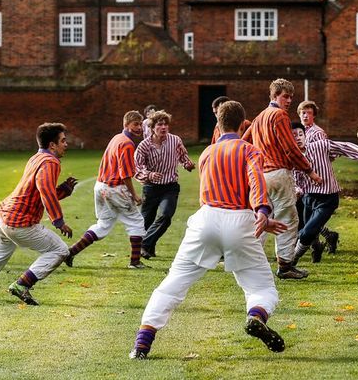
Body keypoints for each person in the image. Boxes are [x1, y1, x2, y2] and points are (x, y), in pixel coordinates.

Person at [130, 101, 288, 359]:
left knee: (172, 285)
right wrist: (262, 211)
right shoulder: (250, 151)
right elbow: (256, 181)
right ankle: (255, 315)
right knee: (262, 288)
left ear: (218, 123)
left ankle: (142, 344)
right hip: (240, 220)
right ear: (243, 124)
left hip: (205, 220)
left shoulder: (206, 153)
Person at [0, 123, 77, 306]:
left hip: (3, 215)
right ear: (52, 145)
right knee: (60, 250)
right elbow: (45, 190)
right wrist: (59, 221)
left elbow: (37, 191)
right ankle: (22, 285)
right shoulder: (51, 162)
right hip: (19, 222)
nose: (66, 144)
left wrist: (63, 190)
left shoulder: (36, 158)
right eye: (63, 140)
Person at [243, 79, 322, 279]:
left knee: (262, 219)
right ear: (275, 95)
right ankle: (285, 266)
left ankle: (251, 263)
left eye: (291, 97)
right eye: (285, 96)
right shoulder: (279, 115)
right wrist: (309, 170)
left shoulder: (259, 117)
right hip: (278, 173)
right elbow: (290, 147)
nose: (289, 100)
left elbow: (243, 142)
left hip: (260, 176)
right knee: (288, 219)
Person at [65, 111, 147, 269]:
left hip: (101, 186)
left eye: (140, 124)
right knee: (136, 221)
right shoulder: (127, 143)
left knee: (103, 224)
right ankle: (135, 262)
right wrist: (134, 195)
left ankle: (71, 252)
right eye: (135, 124)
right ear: (126, 125)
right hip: (115, 188)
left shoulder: (117, 137)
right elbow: (125, 174)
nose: (139, 128)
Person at [290, 122, 358, 266]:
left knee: (306, 232)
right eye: (294, 135)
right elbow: (298, 183)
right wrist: (297, 191)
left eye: (300, 134)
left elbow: (344, 147)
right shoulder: (292, 159)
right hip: (308, 198)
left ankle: (292, 261)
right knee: (309, 230)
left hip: (327, 198)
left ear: (306, 136)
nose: (298, 138)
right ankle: (317, 248)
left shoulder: (320, 145)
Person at [135, 110, 195, 259]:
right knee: (146, 222)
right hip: (151, 188)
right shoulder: (144, 146)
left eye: (166, 124)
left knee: (166, 216)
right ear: (152, 127)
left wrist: (188, 165)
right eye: (160, 124)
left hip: (170, 186)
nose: (164, 127)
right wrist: (149, 174)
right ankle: (148, 250)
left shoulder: (175, 140)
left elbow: (183, 157)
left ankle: (143, 244)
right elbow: (137, 167)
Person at [297, 100, 340, 253]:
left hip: (318, 179)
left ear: (314, 115)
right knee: (307, 217)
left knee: (309, 218)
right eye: (303, 112)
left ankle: (318, 243)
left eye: (309, 112)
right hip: (304, 179)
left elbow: (328, 153)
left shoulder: (317, 133)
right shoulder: (300, 132)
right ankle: (323, 240)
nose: (305, 115)